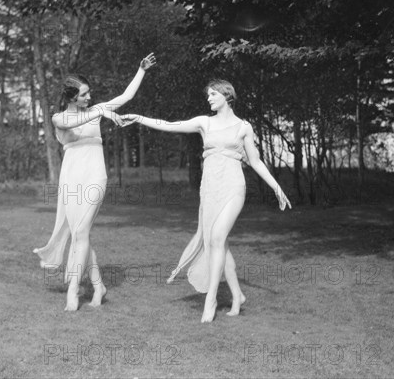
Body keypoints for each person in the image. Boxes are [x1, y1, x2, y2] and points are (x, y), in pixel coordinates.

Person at [121, 79, 291, 323]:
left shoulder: (244, 127)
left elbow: (255, 161)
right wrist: (138, 117)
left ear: (226, 95)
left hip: (233, 187)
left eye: (213, 94)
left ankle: (210, 299)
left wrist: (277, 187)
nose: (209, 98)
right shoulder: (204, 122)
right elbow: (169, 125)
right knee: (220, 244)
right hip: (209, 189)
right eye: (208, 95)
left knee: (217, 238)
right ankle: (237, 295)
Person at [33, 53, 156, 311]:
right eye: (84, 94)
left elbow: (125, 97)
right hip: (71, 176)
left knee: (81, 232)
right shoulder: (59, 119)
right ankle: (99, 286)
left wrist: (141, 70)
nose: (89, 97)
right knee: (81, 233)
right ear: (70, 97)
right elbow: (76, 120)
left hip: (95, 174)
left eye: (90, 93)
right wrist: (103, 113)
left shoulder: (95, 111)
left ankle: (73, 292)